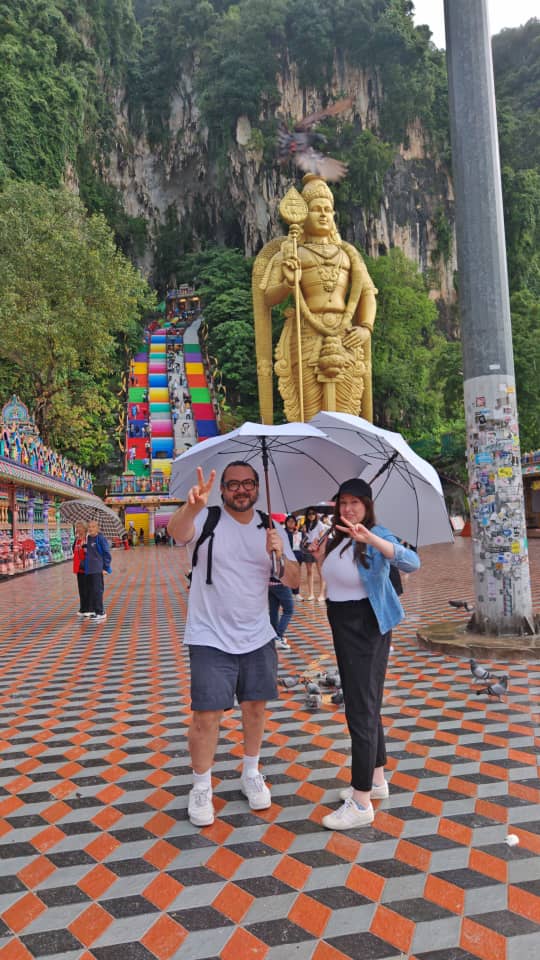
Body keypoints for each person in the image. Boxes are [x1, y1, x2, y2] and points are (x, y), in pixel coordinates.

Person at [167, 461, 299, 827]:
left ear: (257, 487)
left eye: (248, 483)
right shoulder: (207, 520)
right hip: (210, 635)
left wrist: (280, 553)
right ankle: (201, 785)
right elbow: (178, 533)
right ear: (222, 489)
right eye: (233, 485)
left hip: (257, 634)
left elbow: (294, 579)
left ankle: (251, 771)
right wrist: (192, 506)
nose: (241, 490)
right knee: (206, 716)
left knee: (255, 708)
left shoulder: (269, 527)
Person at [310, 478, 420, 830]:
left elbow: (411, 562)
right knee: (366, 703)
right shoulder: (337, 536)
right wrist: (319, 557)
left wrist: (370, 538)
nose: (348, 508)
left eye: (356, 502)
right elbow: (337, 580)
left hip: (366, 626)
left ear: (368, 506)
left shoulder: (376, 533)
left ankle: (360, 802)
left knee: (359, 708)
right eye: (343, 502)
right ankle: (376, 780)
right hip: (343, 624)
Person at [253, 173, 377, 424]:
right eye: (316, 209)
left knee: (346, 411)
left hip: (344, 335)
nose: (323, 214)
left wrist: (365, 327)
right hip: (305, 333)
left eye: (328, 210)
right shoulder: (291, 253)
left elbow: (367, 294)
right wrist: (289, 282)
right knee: (307, 412)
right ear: (301, 215)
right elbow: (267, 298)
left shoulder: (349, 254)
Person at [84, 520, 112, 622]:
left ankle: (101, 612)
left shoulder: (100, 538)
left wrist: (105, 568)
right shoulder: (88, 538)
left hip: (98, 569)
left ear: (97, 528)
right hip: (90, 569)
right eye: (89, 527)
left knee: (97, 591)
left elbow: (107, 553)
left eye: (93, 527)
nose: (90, 528)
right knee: (92, 591)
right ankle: (96, 611)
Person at [299, 507, 326, 602]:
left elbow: (322, 537)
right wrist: (304, 531)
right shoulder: (305, 525)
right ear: (307, 515)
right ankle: (311, 594)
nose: (311, 515)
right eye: (309, 514)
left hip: (317, 548)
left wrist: (319, 546)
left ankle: (322, 594)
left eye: (313, 513)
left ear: (316, 514)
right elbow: (304, 538)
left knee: (320, 571)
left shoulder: (320, 524)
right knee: (309, 571)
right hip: (308, 548)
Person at [268, 572, 294, 649]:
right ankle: (278, 636)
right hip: (281, 582)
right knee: (288, 611)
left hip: (269, 583)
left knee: (273, 611)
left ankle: (274, 637)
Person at [73, 521, 90, 617]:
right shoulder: (76, 539)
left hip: (86, 567)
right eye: (77, 527)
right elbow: (74, 550)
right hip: (78, 567)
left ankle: (88, 608)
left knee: (87, 589)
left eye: (80, 527)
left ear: (84, 528)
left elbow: (91, 553)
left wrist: (86, 550)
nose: (78, 529)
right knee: (81, 589)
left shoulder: (88, 539)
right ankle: (82, 608)